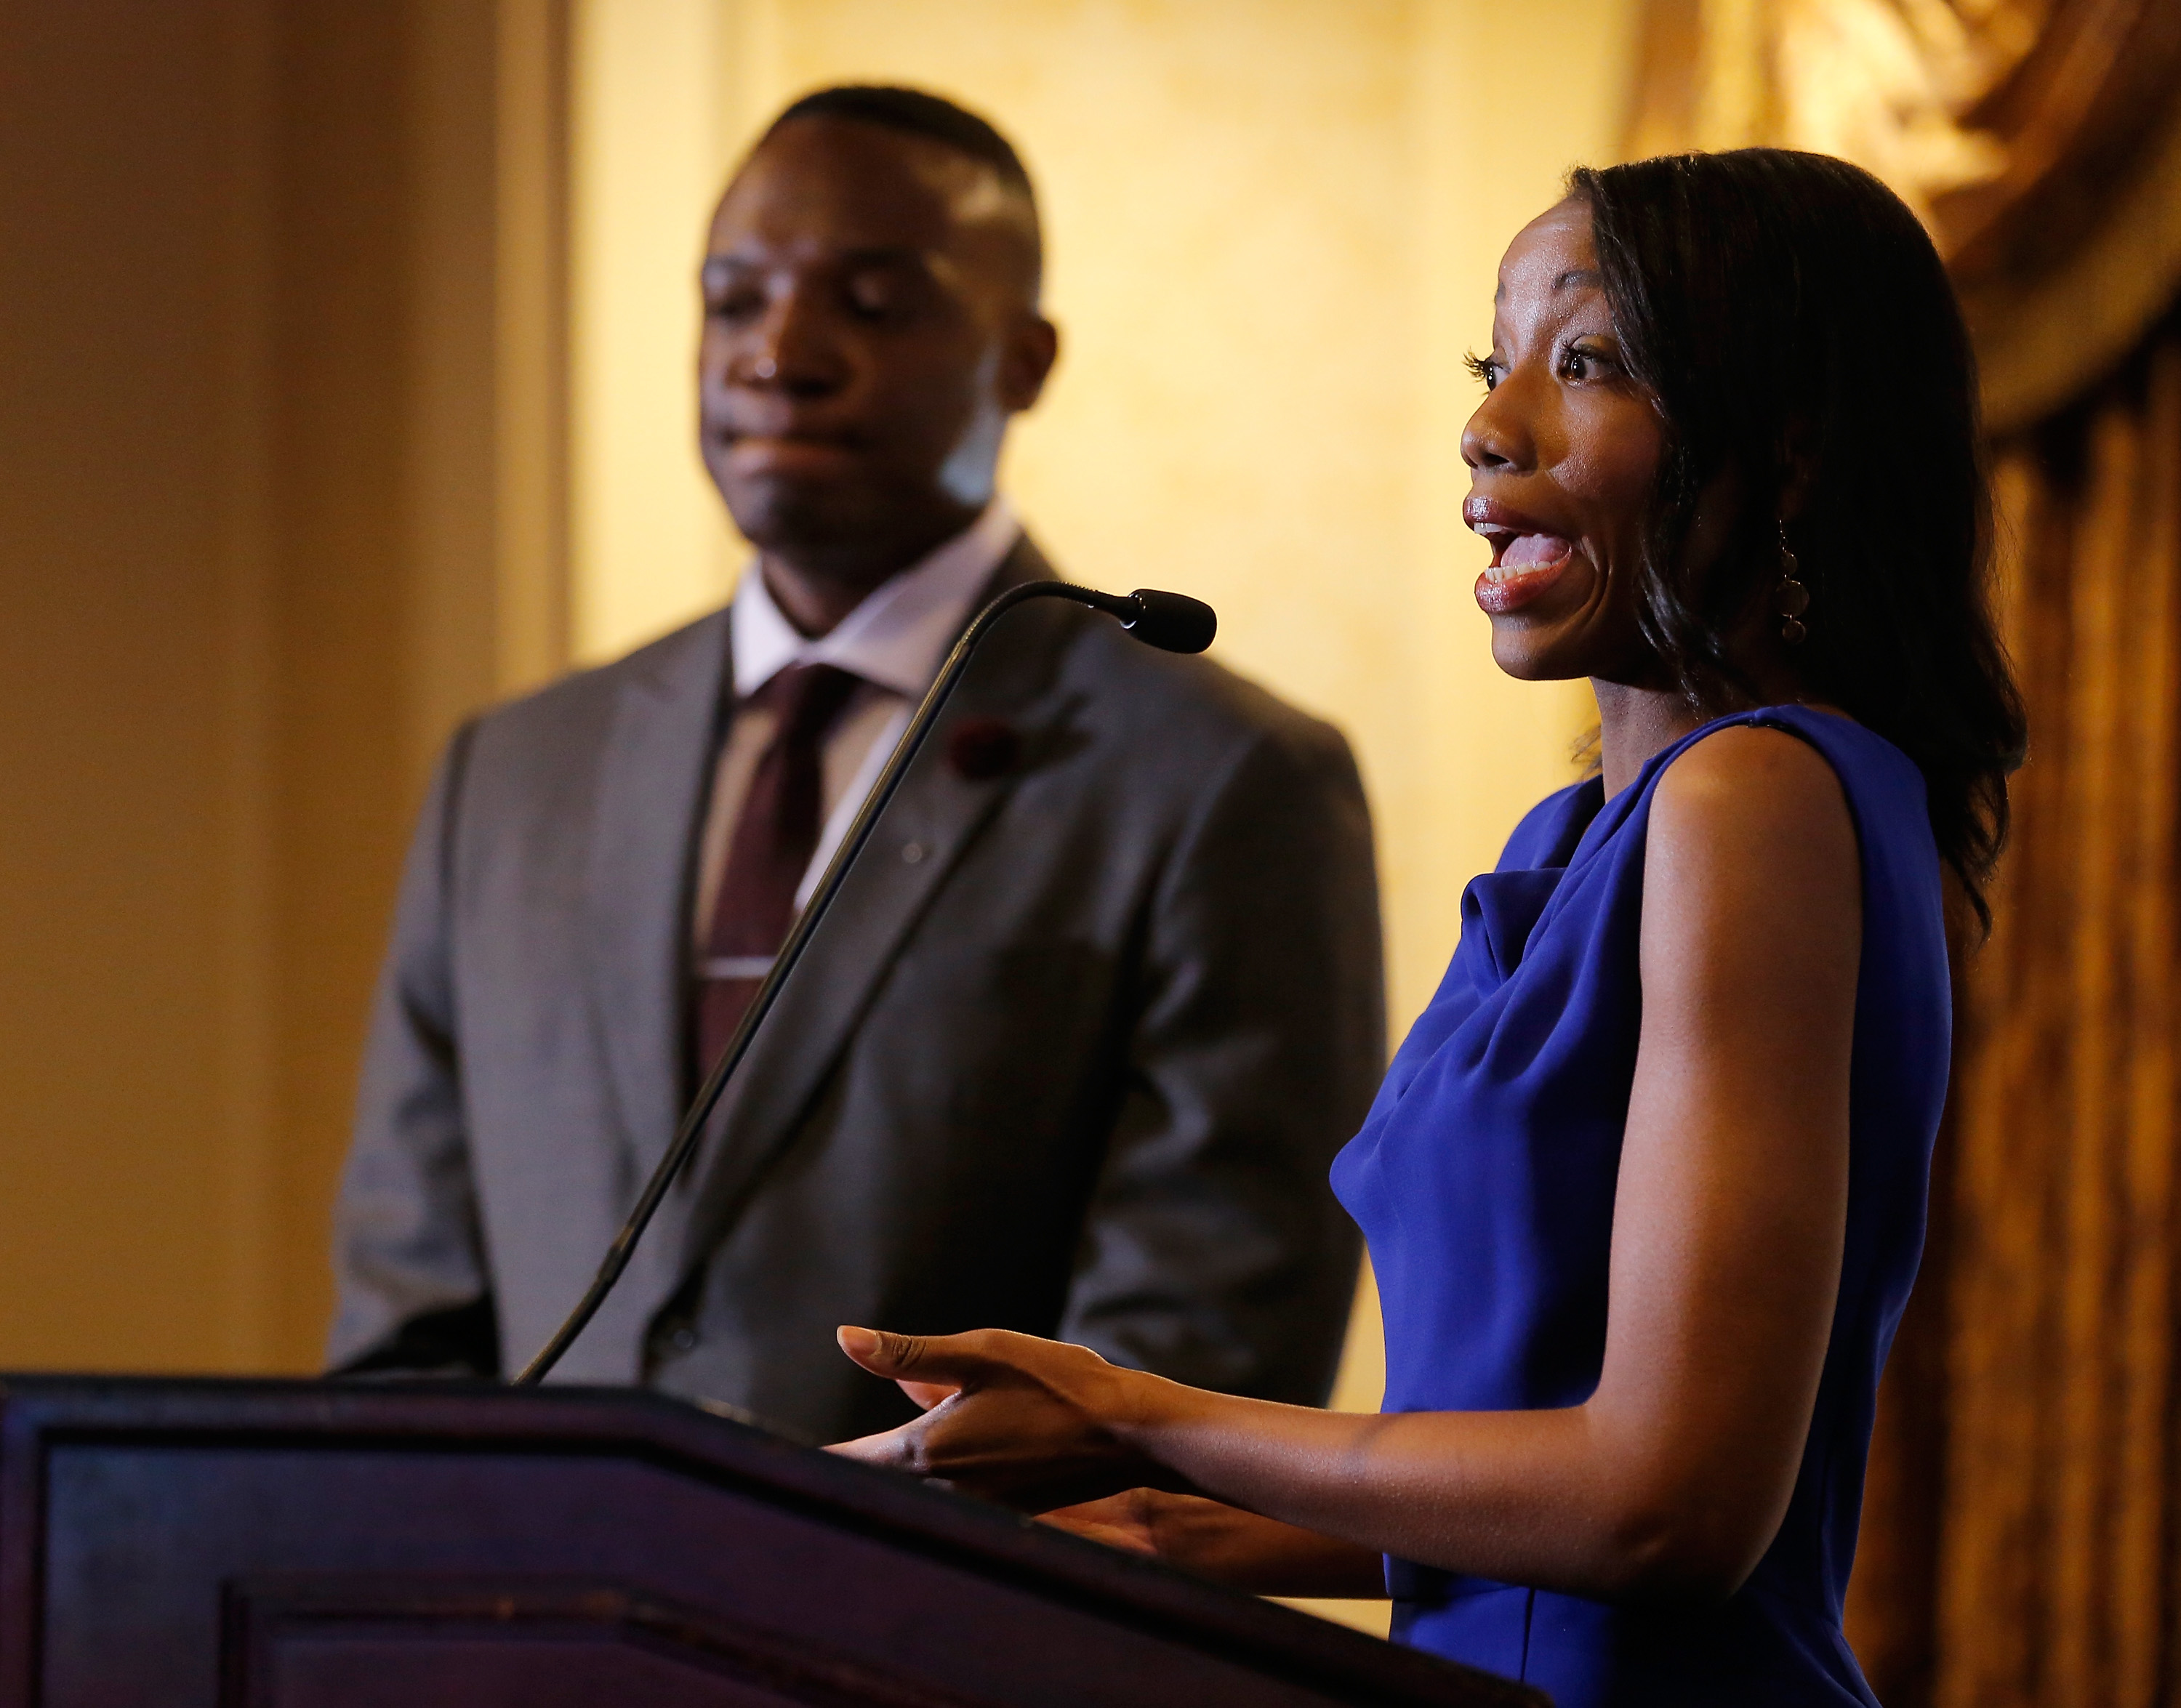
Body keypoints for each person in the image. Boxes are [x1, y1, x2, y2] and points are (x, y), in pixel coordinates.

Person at [827, 148, 2028, 1705]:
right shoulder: (1574, 843)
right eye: (1492, 364)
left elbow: (1669, 1506)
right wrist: (1134, 1521)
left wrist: (1132, 1411)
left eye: (1586, 363)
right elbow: (1523, 1481)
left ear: (1790, 452)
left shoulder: (1760, 800)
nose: (1489, 425)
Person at [327, 86, 1385, 1442]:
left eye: (873, 305)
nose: (779, 354)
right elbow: (404, 1339)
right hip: (524, 1583)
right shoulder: (514, 772)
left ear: (1024, 360)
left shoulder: (1224, 779)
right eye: (733, 300)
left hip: (952, 1585)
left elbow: (1194, 1376)